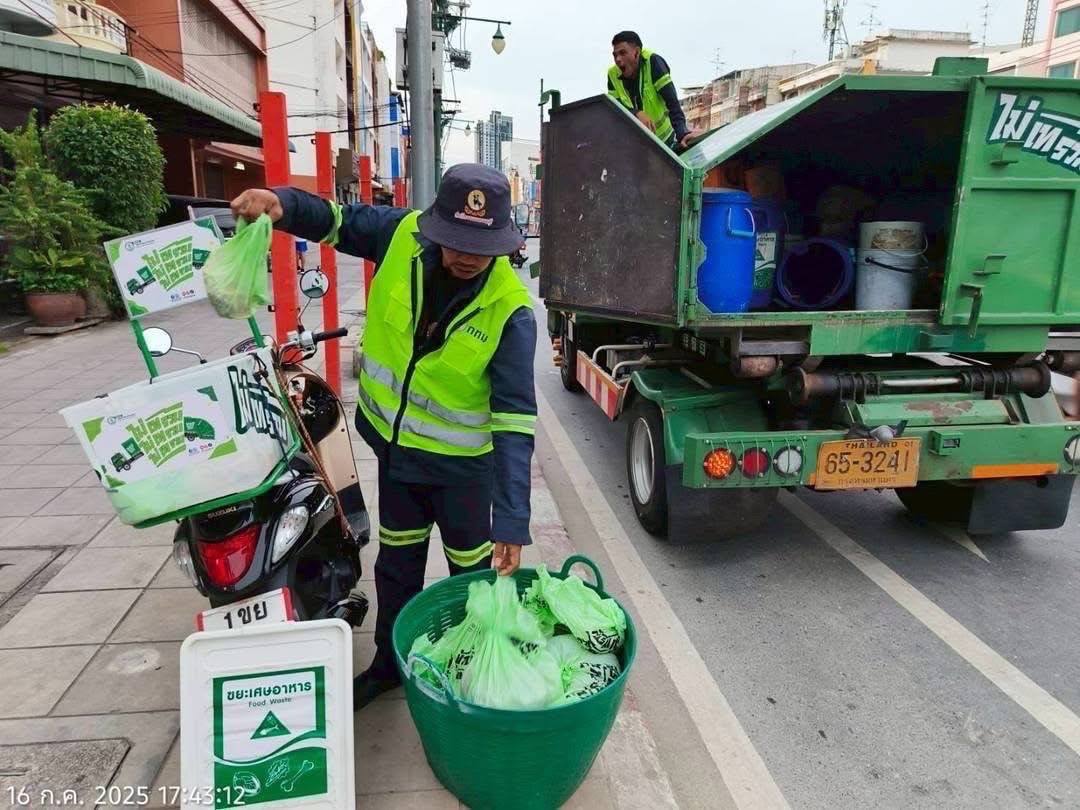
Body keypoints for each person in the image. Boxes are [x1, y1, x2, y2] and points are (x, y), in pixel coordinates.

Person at [230, 164, 537, 709]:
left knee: (472, 577)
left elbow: (515, 421)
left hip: (463, 474)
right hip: (397, 460)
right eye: (456, 241)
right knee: (396, 564)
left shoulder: (511, 311)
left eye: (482, 246)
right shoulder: (401, 235)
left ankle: (470, 674)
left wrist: (512, 520)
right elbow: (337, 220)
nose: (467, 256)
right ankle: (389, 666)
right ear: (435, 225)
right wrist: (281, 205)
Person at [607, 30, 699, 150]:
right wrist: (636, 113)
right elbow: (614, 110)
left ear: (637, 52)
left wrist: (683, 133)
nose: (618, 59)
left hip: (665, 141)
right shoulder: (612, 74)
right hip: (639, 147)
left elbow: (672, 103)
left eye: (622, 53)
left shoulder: (654, 62)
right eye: (615, 55)